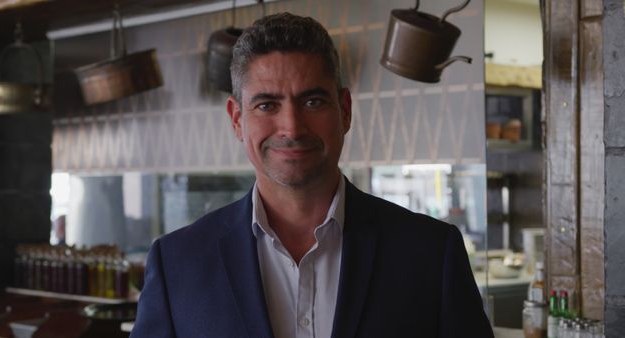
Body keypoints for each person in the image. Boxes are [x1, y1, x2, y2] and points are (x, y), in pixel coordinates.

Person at [131, 12, 493, 338]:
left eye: (313, 101)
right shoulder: (177, 262)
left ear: (345, 110)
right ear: (238, 120)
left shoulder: (430, 251)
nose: (291, 127)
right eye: (267, 105)